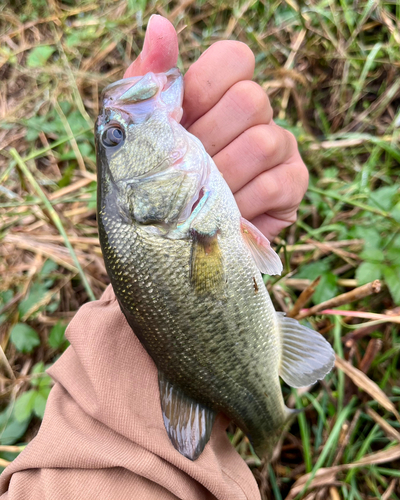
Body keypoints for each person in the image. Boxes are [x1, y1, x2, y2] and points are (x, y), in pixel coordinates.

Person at [0, 15, 309, 500]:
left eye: (114, 135)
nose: (118, 129)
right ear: (136, 199)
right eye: (116, 139)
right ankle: (270, 430)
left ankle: (268, 431)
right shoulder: (175, 218)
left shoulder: (173, 218)